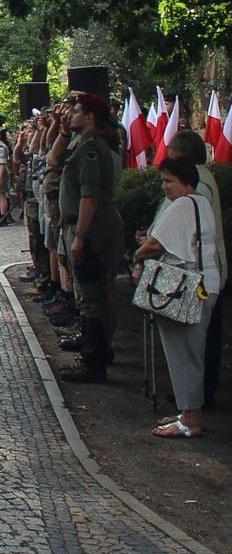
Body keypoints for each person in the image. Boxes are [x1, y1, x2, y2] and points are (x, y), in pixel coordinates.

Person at [133, 157, 222, 438]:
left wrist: (137, 256)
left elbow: (155, 245)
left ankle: (190, 418)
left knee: (181, 351)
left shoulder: (182, 205)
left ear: (186, 182)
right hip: (207, 282)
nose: (164, 187)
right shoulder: (202, 203)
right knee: (193, 351)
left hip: (184, 285)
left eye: (169, 181)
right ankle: (189, 411)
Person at [57, 93, 123, 383]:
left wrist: (80, 236)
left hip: (92, 231)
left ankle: (94, 361)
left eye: (77, 111)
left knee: (91, 296)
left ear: (90, 117)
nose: (71, 114)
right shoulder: (83, 144)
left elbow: (90, 196)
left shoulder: (91, 149)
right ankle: (92, 351)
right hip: (86, 228)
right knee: (88, 294)